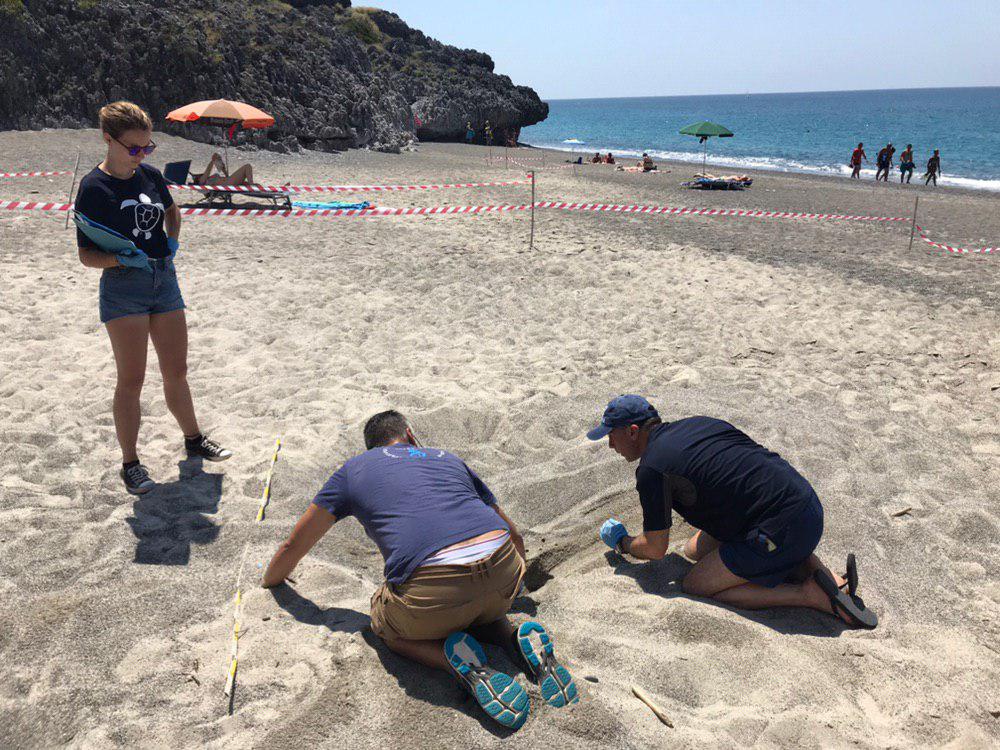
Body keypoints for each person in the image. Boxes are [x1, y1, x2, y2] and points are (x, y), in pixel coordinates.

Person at [262, 410, 578, 729]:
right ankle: (510, 637)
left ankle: (455, 664)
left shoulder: (354, 470)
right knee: (482, 605)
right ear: (410, 435)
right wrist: (516, 581)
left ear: (370, 450)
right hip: (502, 566)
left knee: (384, 624)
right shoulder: (448, 458)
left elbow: (294, 545)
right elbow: (514, 534)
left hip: (437, 588)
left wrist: (271, 580)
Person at [587, 395, 878, 629]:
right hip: (808, 505)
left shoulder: (652, 468)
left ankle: (808, 594)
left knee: (696, 583)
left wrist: (623, 542)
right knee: (693, 548)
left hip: (783, 530)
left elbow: (655, 548)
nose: (611, 445)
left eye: (612, 436)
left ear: (633, 431)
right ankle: (824, 576)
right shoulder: (699, 424)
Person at [75, 101, 231, 495]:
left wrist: (173, 242)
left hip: (164, 279)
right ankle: (130, 463)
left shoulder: (149, 175)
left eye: (148, 148)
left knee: (176, 371)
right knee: (132, 380)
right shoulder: (94, 188)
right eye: (134, 148)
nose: (141, 155)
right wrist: (118, 258)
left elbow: (172, 212)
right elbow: (85, 255)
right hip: (123, 285)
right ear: (107, 140)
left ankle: (194, 439)